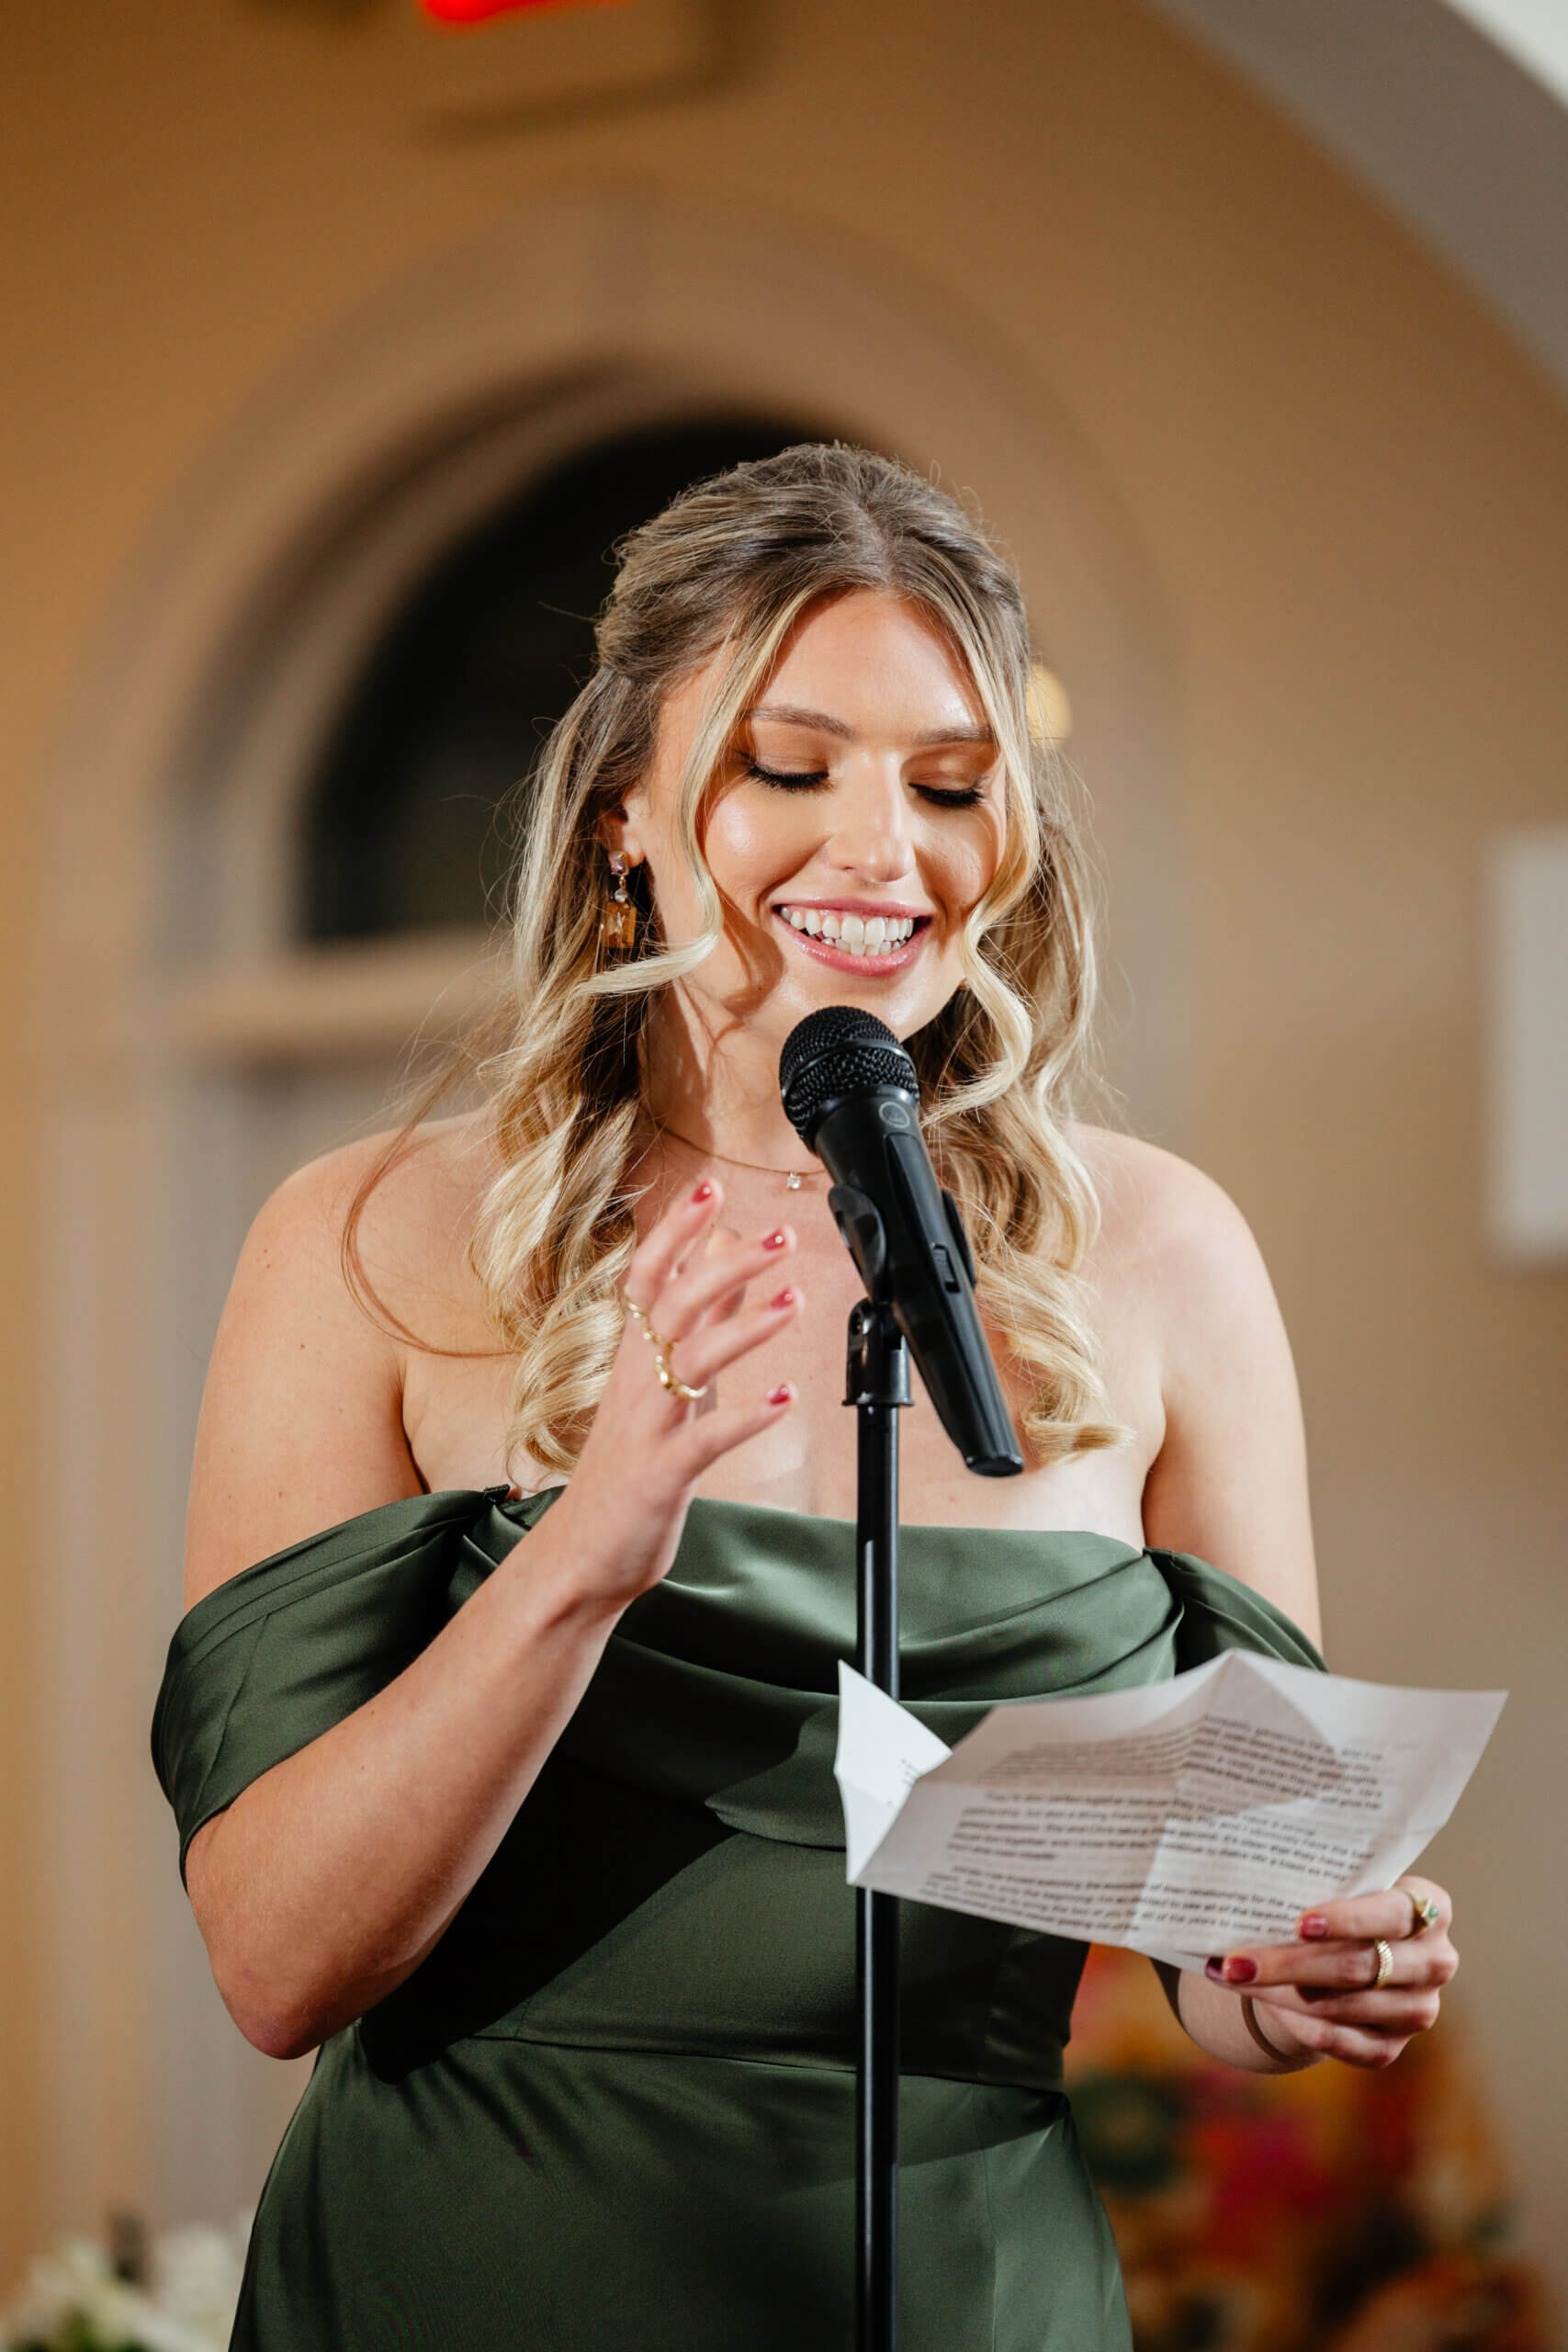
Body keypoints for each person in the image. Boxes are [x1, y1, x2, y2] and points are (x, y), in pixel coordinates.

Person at [153, 444, 1458, 2352]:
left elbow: (1229, 1932)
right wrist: (583, 1552)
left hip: (959, 2289)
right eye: (788, 766)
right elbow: (275, 1960)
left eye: (946, 782)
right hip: (479, 2268)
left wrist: (1306, 1970)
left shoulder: (1163, 1254)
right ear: (626, 816)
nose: (882, 846)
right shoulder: (361, 1238)